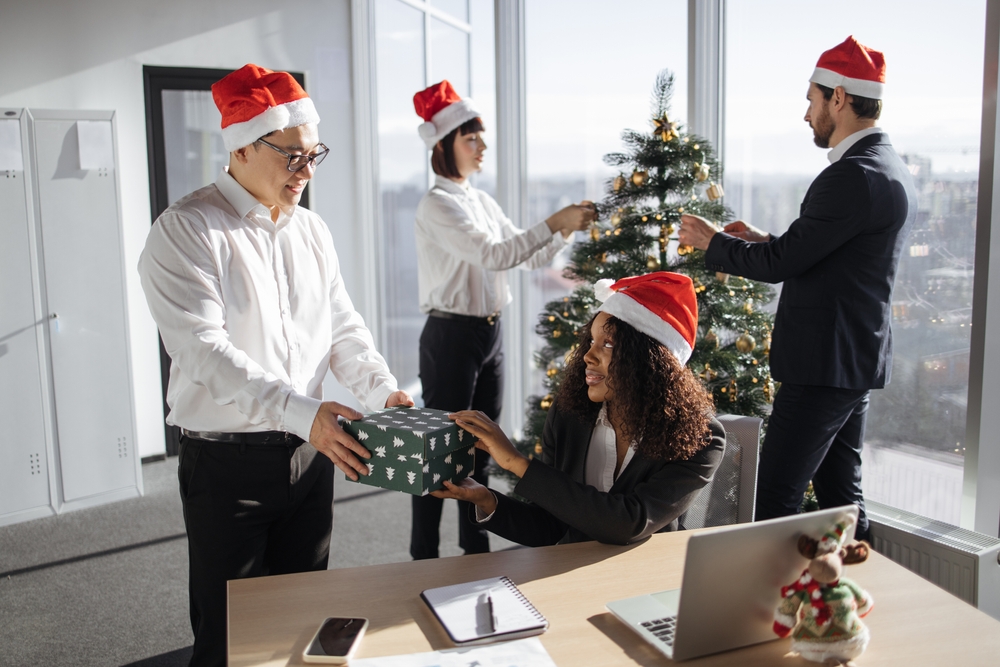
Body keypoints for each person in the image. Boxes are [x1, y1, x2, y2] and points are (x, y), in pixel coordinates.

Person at [138, 64, 413, 667]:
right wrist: (303, 413)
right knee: (230, 638)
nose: (308, 172)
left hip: (311, 456)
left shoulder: (311, 230)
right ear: (242, 145)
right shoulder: (187, 230)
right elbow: (202, 351)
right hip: (227, 467)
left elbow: (342, 325)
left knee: (304, 625)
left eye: (316, 156)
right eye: (294, 157)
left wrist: (382, 390)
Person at [678, 36, 916, 541]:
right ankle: (854, 600)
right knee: (841, 500)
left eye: (812, 99)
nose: (806, 114)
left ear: (840, 98)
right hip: (852, 361)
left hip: (822, 368)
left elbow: (782, 263)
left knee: (776, 499)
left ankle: (769, 615)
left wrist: (710, 242)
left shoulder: (852, 176)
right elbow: (830, 256)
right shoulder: (889, 168)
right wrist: (766, 239)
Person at [409, 80, 596, 559]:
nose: (482, 147)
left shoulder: (481, 200)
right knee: (436, 451)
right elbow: (495, 255)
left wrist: (565, 233)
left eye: (481, 138)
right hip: (450, 335)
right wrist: (555, 220)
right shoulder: (438, 204)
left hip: (489, 333)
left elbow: (527, 258)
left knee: (481, 446)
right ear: (444, 145)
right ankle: (422, 554)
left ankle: (474, 545)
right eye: (472, 139)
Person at [432, 272, 725, 546]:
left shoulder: (701, 436)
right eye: (591, 341)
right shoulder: (569, 414)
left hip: (643, 581)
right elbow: (551, 526)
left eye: (607, 344)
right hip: (572, 575)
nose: (588, 355)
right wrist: (485, 499)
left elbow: (627, 522)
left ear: (651, 361)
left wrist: (516, 463)